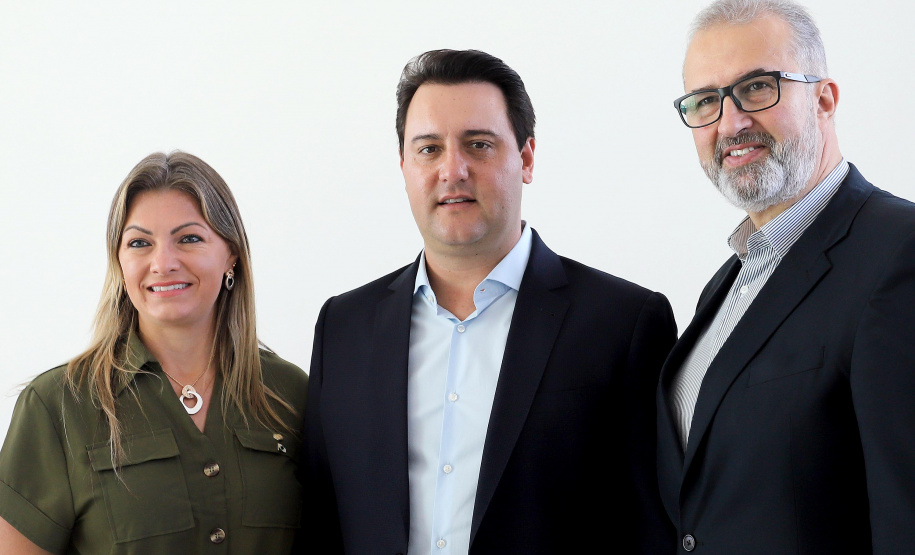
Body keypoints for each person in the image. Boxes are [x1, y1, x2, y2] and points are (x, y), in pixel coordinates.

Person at [303, 49, 677, 555]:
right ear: (404, 165)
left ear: (525, 159)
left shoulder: (624, 324)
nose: (452, 170)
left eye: (478, 145)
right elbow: (321, 524)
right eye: (429, 149)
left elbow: (649, 531)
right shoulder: (343, 328)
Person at [659, 0, 915, 553]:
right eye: (706, 101)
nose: (731, 123)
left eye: (757, 88)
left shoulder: (900, 252)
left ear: (824, 98)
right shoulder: (728, 283)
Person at [0, 152, 308, 554]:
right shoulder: (58, 406)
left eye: (189, 239)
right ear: (119, 261)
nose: (163, 263)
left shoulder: (292, 394)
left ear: (231, 253)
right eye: (140, 243)